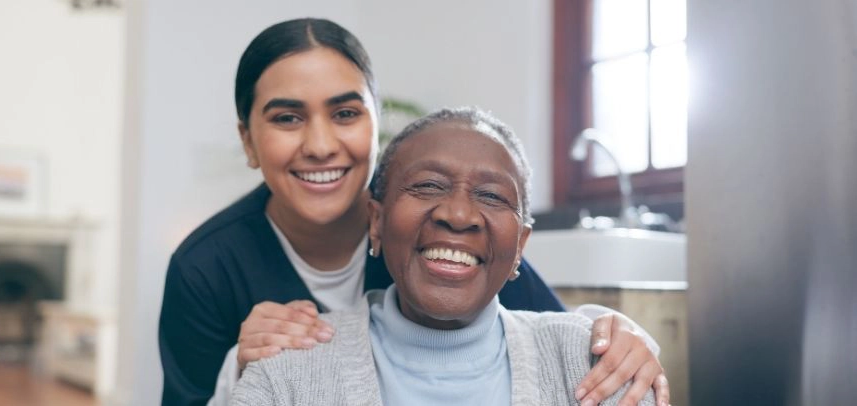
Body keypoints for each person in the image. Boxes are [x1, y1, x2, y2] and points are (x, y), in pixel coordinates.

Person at [159, 17, 669, 406]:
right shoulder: (205, 266)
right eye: (287, 118)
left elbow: (553, 342)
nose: (319, 144)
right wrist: (239, 369)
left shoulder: (438, 234)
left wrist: (620, 333)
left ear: (375, 125)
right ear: (248, 141)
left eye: (345, 114)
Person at [232, 107, 656, 406]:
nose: (458, 215)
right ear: (376, 221)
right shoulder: (287, 373)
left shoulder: (598, 367)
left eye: (491, 195)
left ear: (520, 247)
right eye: (428, 186)